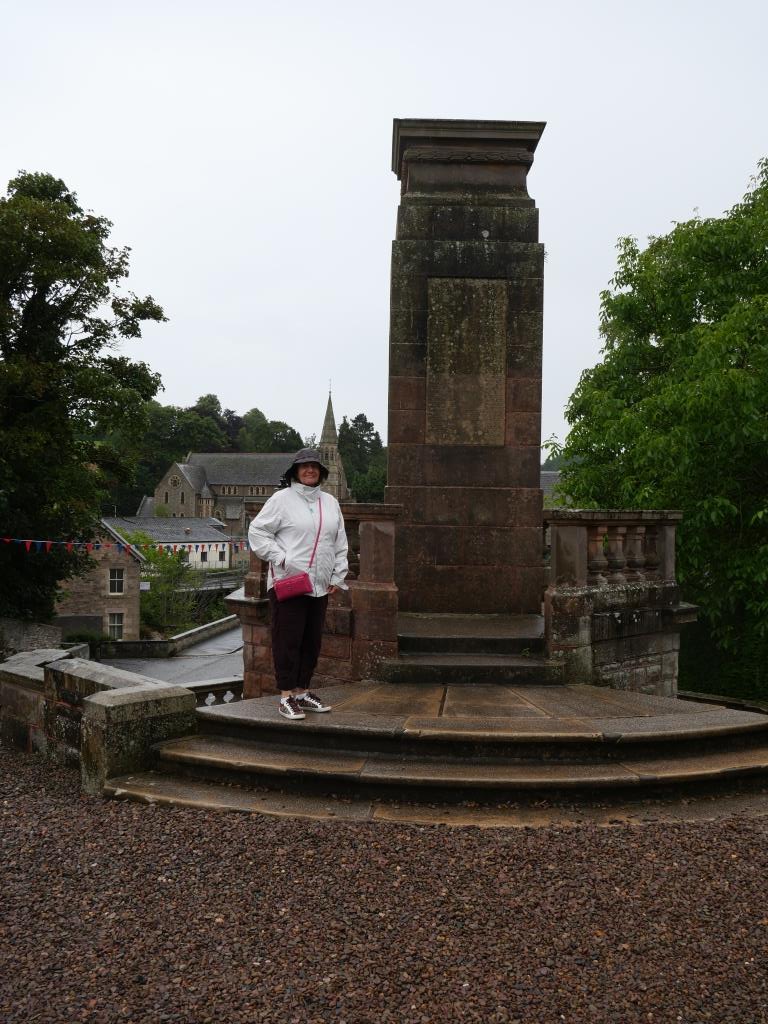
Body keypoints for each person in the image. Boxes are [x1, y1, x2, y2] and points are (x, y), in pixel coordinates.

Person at [248, 448, 348, 720]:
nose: (309, 470)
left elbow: (339, 541)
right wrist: (282, 558)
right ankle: (286, 696)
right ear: (295, 471)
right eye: (304, 466)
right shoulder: (281, 499)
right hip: (289, 581)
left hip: (320, 584)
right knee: (287, 639)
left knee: (311, 641)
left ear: (321, 472)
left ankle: (302, 692)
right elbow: (257, 531)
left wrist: (338, 574)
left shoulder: (330, 502)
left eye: (314, 466)